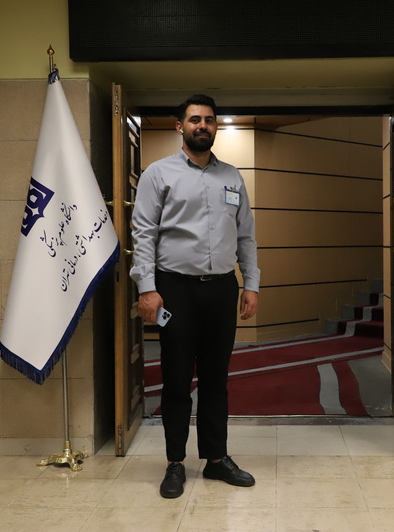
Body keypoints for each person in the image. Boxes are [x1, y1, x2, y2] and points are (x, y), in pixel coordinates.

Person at [129, 94, 260, 499]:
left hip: (221, 289)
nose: (202, 125)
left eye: (209, 120)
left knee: (216, 380)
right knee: (176, 379)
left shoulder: (232, 177)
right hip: (175, 290)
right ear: (180, 126)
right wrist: (147, 288)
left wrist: (251, 283)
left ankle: (216, 459)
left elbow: (245, 235)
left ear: (215, 126)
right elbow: (143, 234)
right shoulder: (158, 174)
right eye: (194, 119)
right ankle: (174, 463)